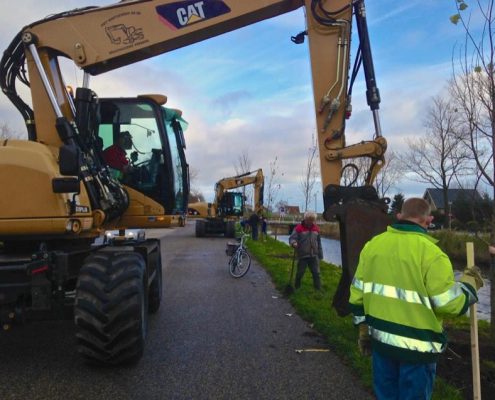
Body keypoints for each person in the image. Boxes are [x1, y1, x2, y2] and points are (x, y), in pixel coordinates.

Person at [349, 197, 484, 400]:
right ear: (428, 220)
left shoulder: (373, 246)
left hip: (382, 342)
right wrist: (469, 285)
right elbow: (449, 305)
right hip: (417, 350)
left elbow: (357, 295)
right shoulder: (432, 254)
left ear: (399, 216)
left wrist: (363, 330)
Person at [289, 211, 323, 290]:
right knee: (300, 273)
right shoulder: (298, 228)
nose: (310, 222)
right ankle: (297, 287)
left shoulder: (316, 229)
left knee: (316, 273)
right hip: (303, 255)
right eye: (309, 220)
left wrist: (320, 254)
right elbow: (292, 238)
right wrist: (294, 243)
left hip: (314, 255)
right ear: (305, 219)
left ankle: (318, 289)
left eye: (312, 220)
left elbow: (319, 242)